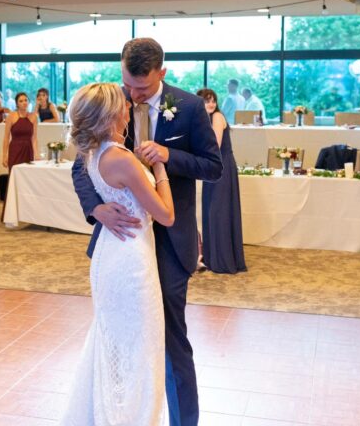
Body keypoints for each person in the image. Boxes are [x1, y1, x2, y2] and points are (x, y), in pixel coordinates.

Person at [72, 37, 222, 426]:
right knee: (118, 336)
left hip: (170, 245)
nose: (133, 95)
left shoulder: (189, 107)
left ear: (163, 74)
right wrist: (96, 206)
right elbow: (81, 165)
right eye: (128, 84)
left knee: (169, 339)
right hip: (123, 241)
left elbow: (213, 166)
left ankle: (180, 421)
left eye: (141, 87)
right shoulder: (108, 104)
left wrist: (169, 157)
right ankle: (119, 410)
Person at [62, 82, 174, 425]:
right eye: (124, 104)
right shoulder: (121, 158)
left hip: (112, 253)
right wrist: (159, 170)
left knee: (114, 342)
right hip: (131, 261)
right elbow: (166, 215)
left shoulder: (95, 153)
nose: (129, 107)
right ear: (113, 114)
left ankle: (110, 412)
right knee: (141, 347)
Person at [197, 88, 247, 274]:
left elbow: (214, 145)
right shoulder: (205, 120)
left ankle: (222, 260)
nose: (211, 104)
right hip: (213, 167)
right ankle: (212, 257)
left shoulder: (217, 117)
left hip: (222, 167)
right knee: (212, 211)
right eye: (206, 101)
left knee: (219, 211)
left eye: (213, 100)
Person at [2, 92, 37, 172]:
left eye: (26, 100)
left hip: (28, 150)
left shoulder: (34, 117)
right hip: (15, 149)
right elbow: (6, 138)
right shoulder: (11, 116)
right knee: (14, 174)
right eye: (21, 101)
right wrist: (4, 156)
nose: (24, 103)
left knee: (28, 175)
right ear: (17, 104)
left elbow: (34, 138)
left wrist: (36, 155)